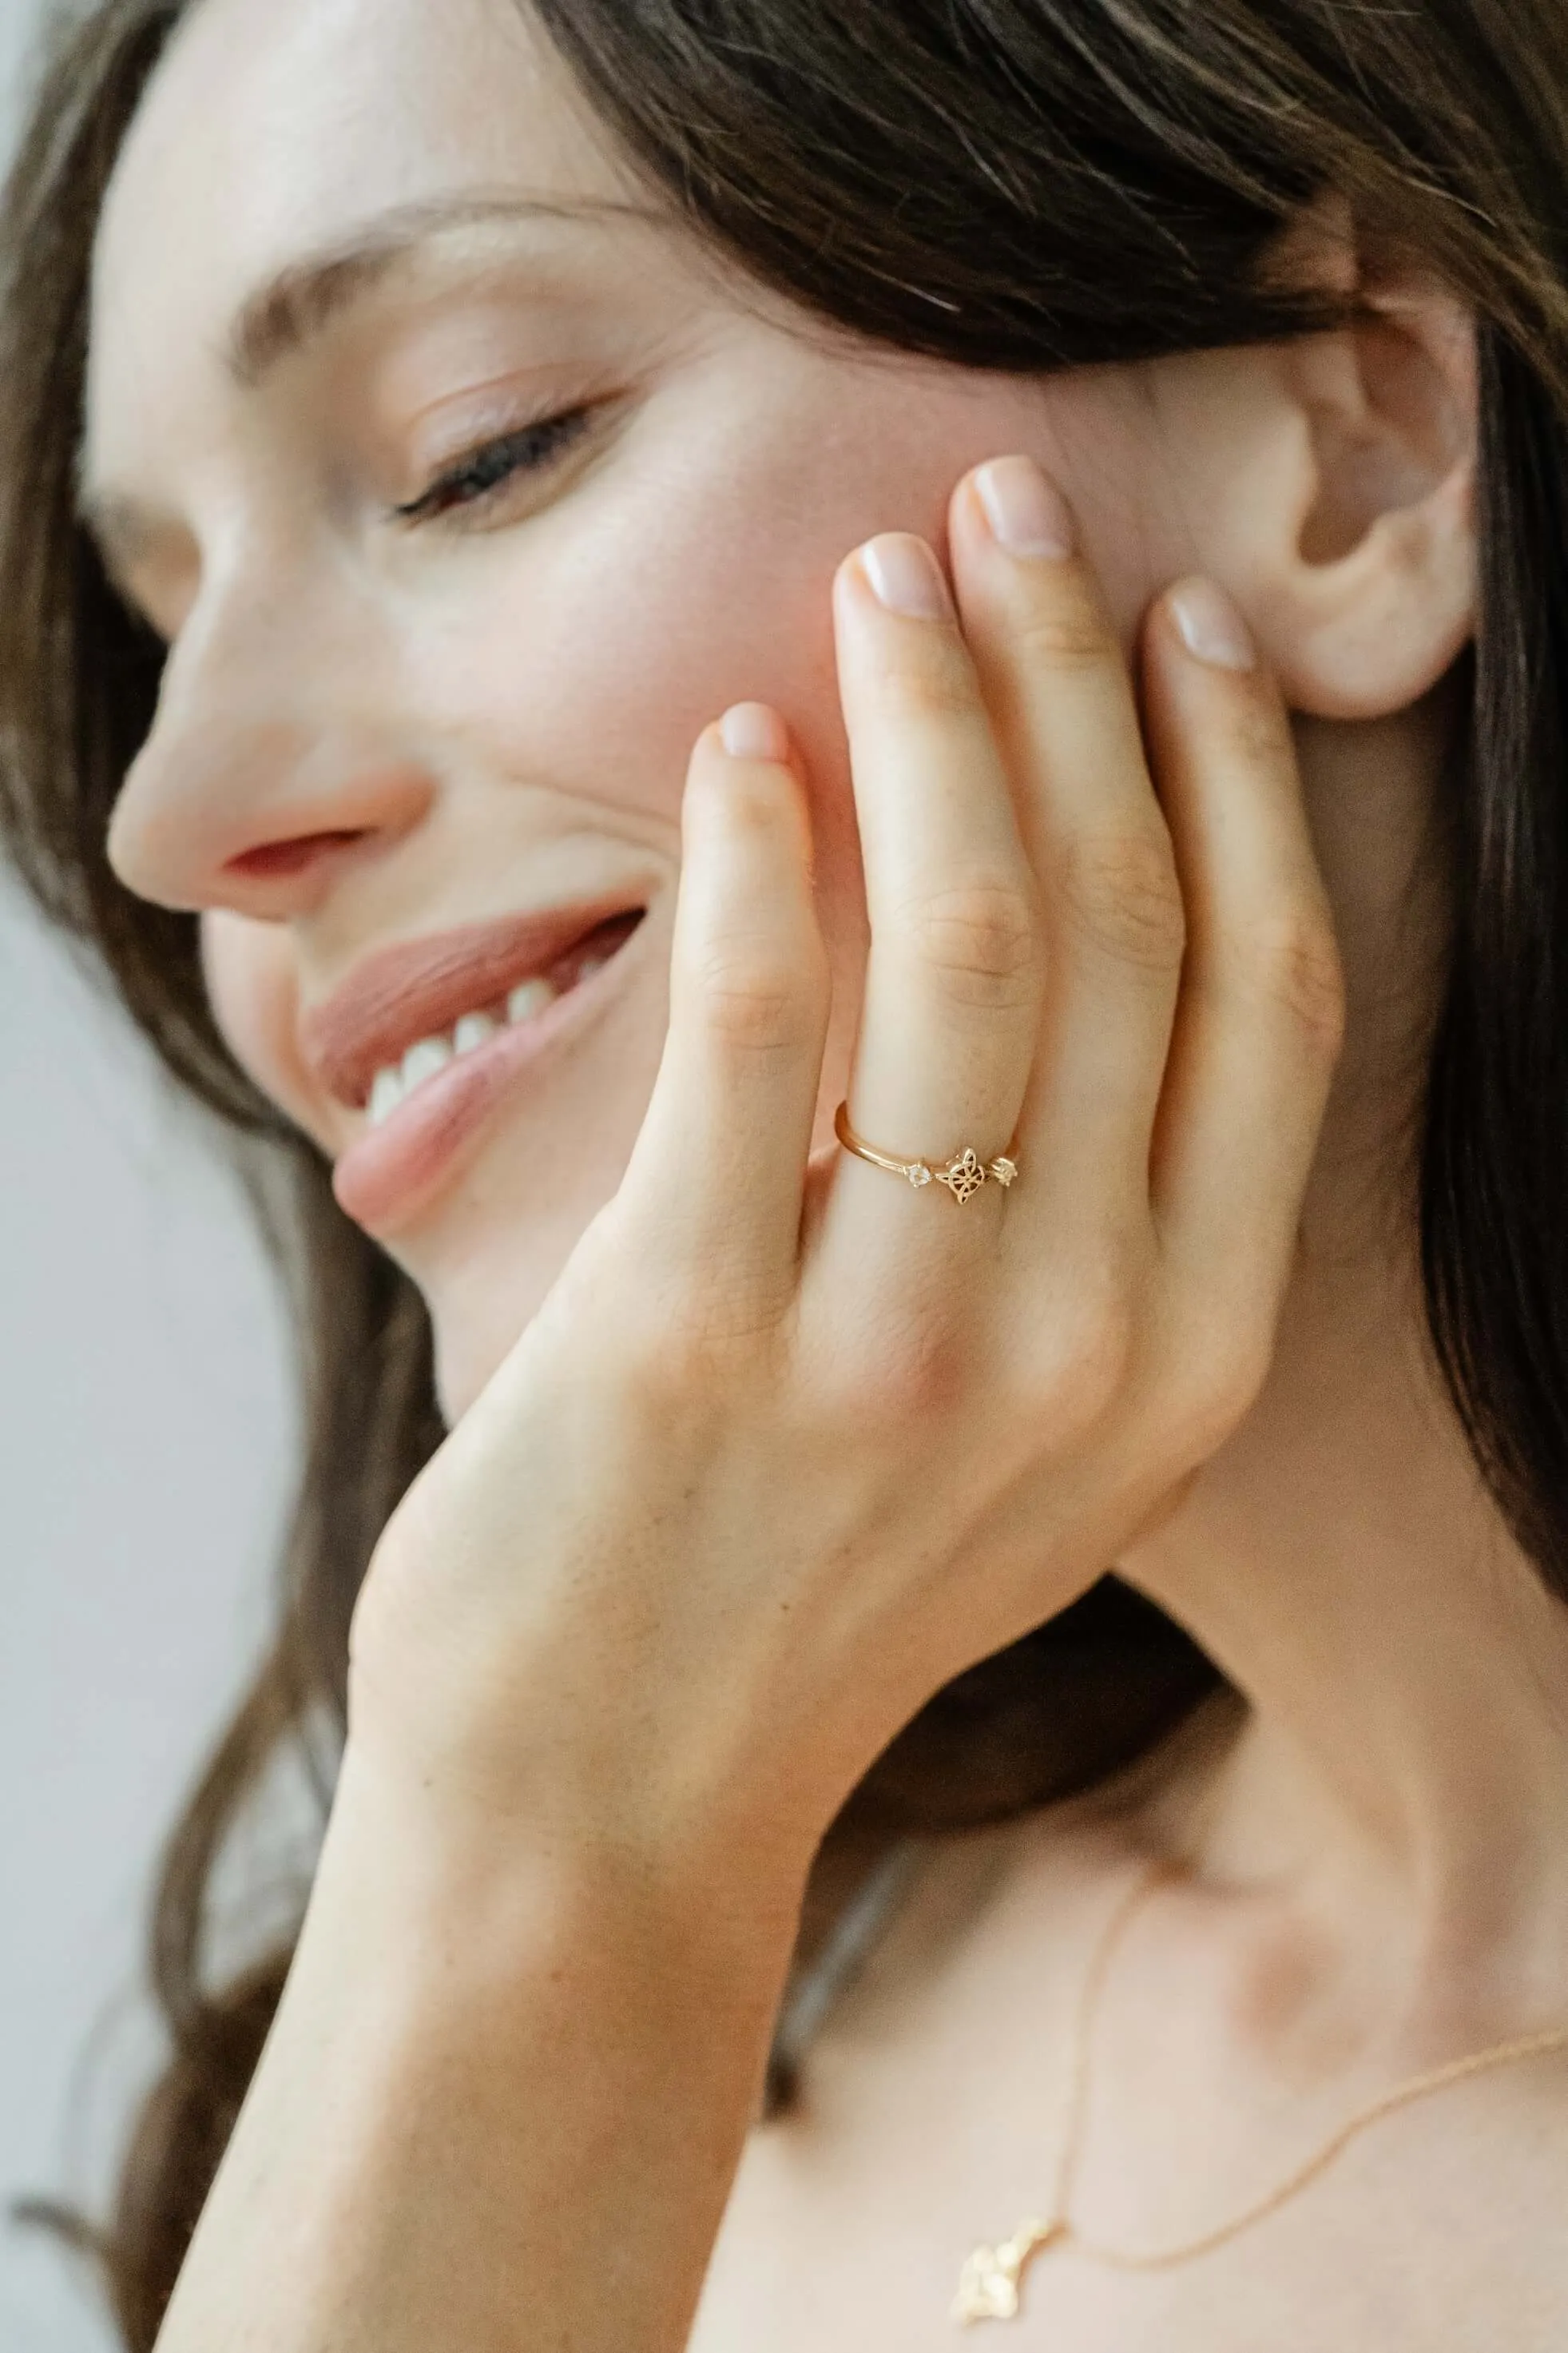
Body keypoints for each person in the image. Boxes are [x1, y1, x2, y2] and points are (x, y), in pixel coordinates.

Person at [4, 0, 1568, 2344]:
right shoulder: (680, 1976)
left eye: (477, 452)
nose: (177, 820)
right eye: (162, 628)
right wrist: (534, 1852)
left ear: (1360, 424)